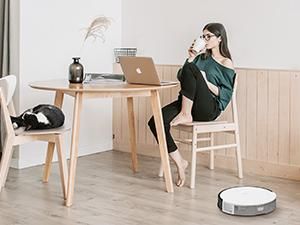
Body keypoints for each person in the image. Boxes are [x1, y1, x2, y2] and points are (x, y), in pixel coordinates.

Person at [148, 23, 236, 187]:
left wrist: (204, 81)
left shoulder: (226, 62)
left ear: (220, 39)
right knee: (155, 121)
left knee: (192, 69)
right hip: (188, 102)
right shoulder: (200, 58)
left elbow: (225, 94)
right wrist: (191, 57)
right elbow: (183, 76)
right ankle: (180, 161)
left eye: (208, 36)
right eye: (203, 36)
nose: (205, 39)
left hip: (208, 108)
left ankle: (185, 113)